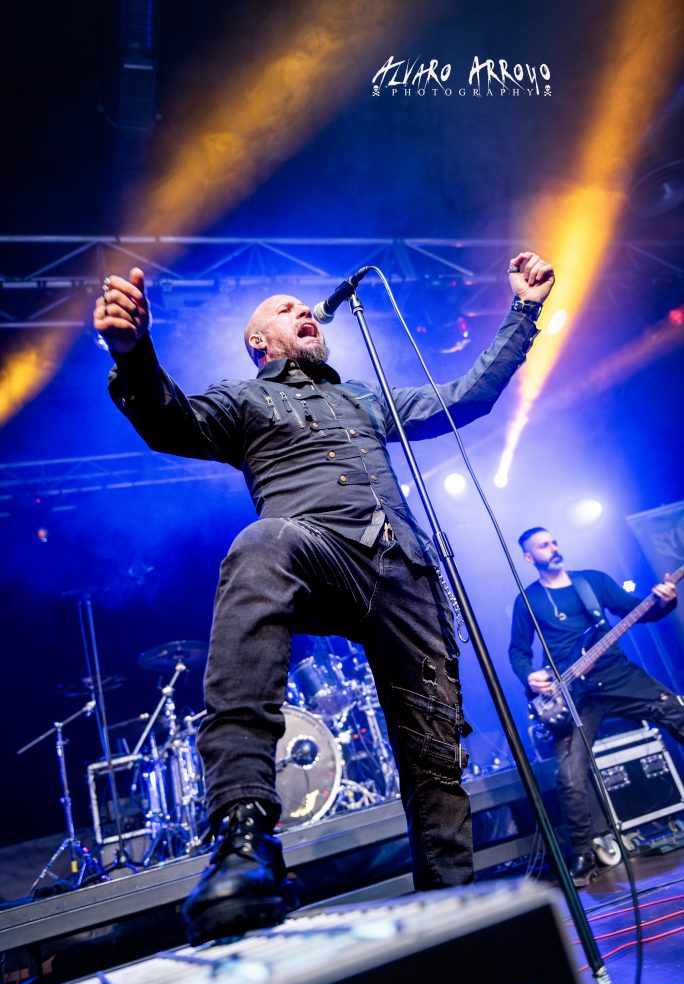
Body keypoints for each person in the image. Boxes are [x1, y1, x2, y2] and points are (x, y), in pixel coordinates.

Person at [94, 252, 555, 944]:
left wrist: (523, 311)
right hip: (318, 549)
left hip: (405, 574)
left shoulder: (364, 397)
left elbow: (469, 394)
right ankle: (244, 833)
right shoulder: (244, 397)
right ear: (260, 343)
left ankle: (455, 928)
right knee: (263, 542)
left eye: (304, 305)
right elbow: (171, 420)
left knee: (434, 759)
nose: (303, 309)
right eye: (284, 310)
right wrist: (133, 355)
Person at [508, 527, 681, 886]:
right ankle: (584, 854)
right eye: (543, 545)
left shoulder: (593, 582)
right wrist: (529, 676)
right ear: (529, 557)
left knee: (677, 715)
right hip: (573, 693)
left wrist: (665, 600)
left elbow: (638, 612)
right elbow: (518, 650)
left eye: (554, 541)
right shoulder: (528, 600)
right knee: (570, 775)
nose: (553, 547)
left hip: (617, 674)